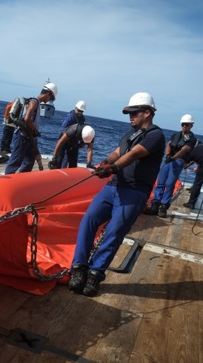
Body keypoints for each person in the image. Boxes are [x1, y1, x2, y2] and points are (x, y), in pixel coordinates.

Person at [68, 92, 165, 297]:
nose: (130, 116)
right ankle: (78, 268)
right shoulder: (129, 133)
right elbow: (118, 152)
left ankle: (95, 273)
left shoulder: (156, 135)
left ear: (147, 113)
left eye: (134, 112)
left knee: (114, 231)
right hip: (113, 186)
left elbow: (133, 154)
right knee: (89, 220)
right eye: (128, 113)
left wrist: (112, 168)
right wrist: (106, 162)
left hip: (135, 190)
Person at [145, 114, 197, 218]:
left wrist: (173, 157)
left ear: (191, 125)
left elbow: (184, 149)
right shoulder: (175, 135)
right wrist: (168, 154)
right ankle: (156, 204)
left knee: (169, 183)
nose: (184, 126)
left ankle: (164, 206)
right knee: (160, 182)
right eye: (183, 124)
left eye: (187, 125)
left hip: (178, 161)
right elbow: (169, 145)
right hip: (169, 160)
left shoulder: (192, 139)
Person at [4, 82, 57, 174]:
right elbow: (27, 118)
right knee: (15, 161)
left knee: (29, 162)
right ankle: (5, 183)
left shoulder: (36, 103)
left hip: (28, 138)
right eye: (51, 98)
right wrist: (35, 130)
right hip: (22, 136)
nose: (49, 100)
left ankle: (21, 181)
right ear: (48, 94)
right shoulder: (34, 102)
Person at [58, 100, 87, 168]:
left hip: (74, 143)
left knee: (73, 163)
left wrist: (82, 142)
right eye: (79, 110)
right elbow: (63, 129)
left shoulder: (82, 119)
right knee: (61, 160)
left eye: (81, 111)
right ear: (75, 108)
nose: (80, 113)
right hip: (65, 141)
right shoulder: (70, 116)